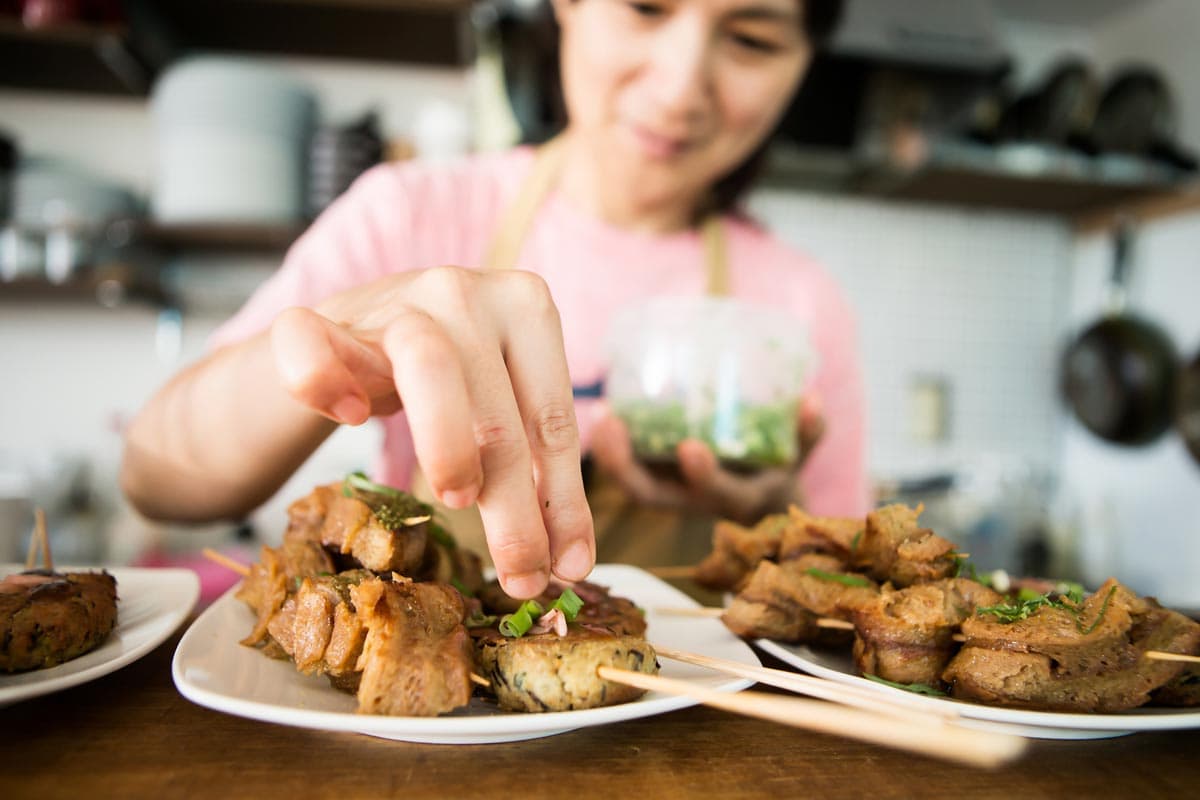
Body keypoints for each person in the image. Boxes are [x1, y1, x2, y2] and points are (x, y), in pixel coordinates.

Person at [120, 0, 865, 600]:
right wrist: (342, 338)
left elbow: (845, 581)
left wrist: (772, 508)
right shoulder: (414, 213)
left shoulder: (800, 300)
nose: (679, 85)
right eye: (645, 8)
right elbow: (154, 477)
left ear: (803, 62)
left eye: (753, 38)